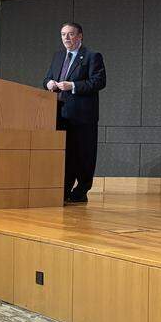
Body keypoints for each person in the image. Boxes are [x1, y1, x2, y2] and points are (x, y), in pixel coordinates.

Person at [44, 22, 106, 203]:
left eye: (70, 34)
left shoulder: (92, 56)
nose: (66, 38)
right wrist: (48, 83)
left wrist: (73, 86)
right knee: (65, 154)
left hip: (83, 116)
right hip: (60, 113)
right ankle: (63, 189)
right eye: (63, 34)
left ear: (80, 36)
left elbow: (99, 82)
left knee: (83, 154)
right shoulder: (58, 56)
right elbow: (48, 77)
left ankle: (81, 190)